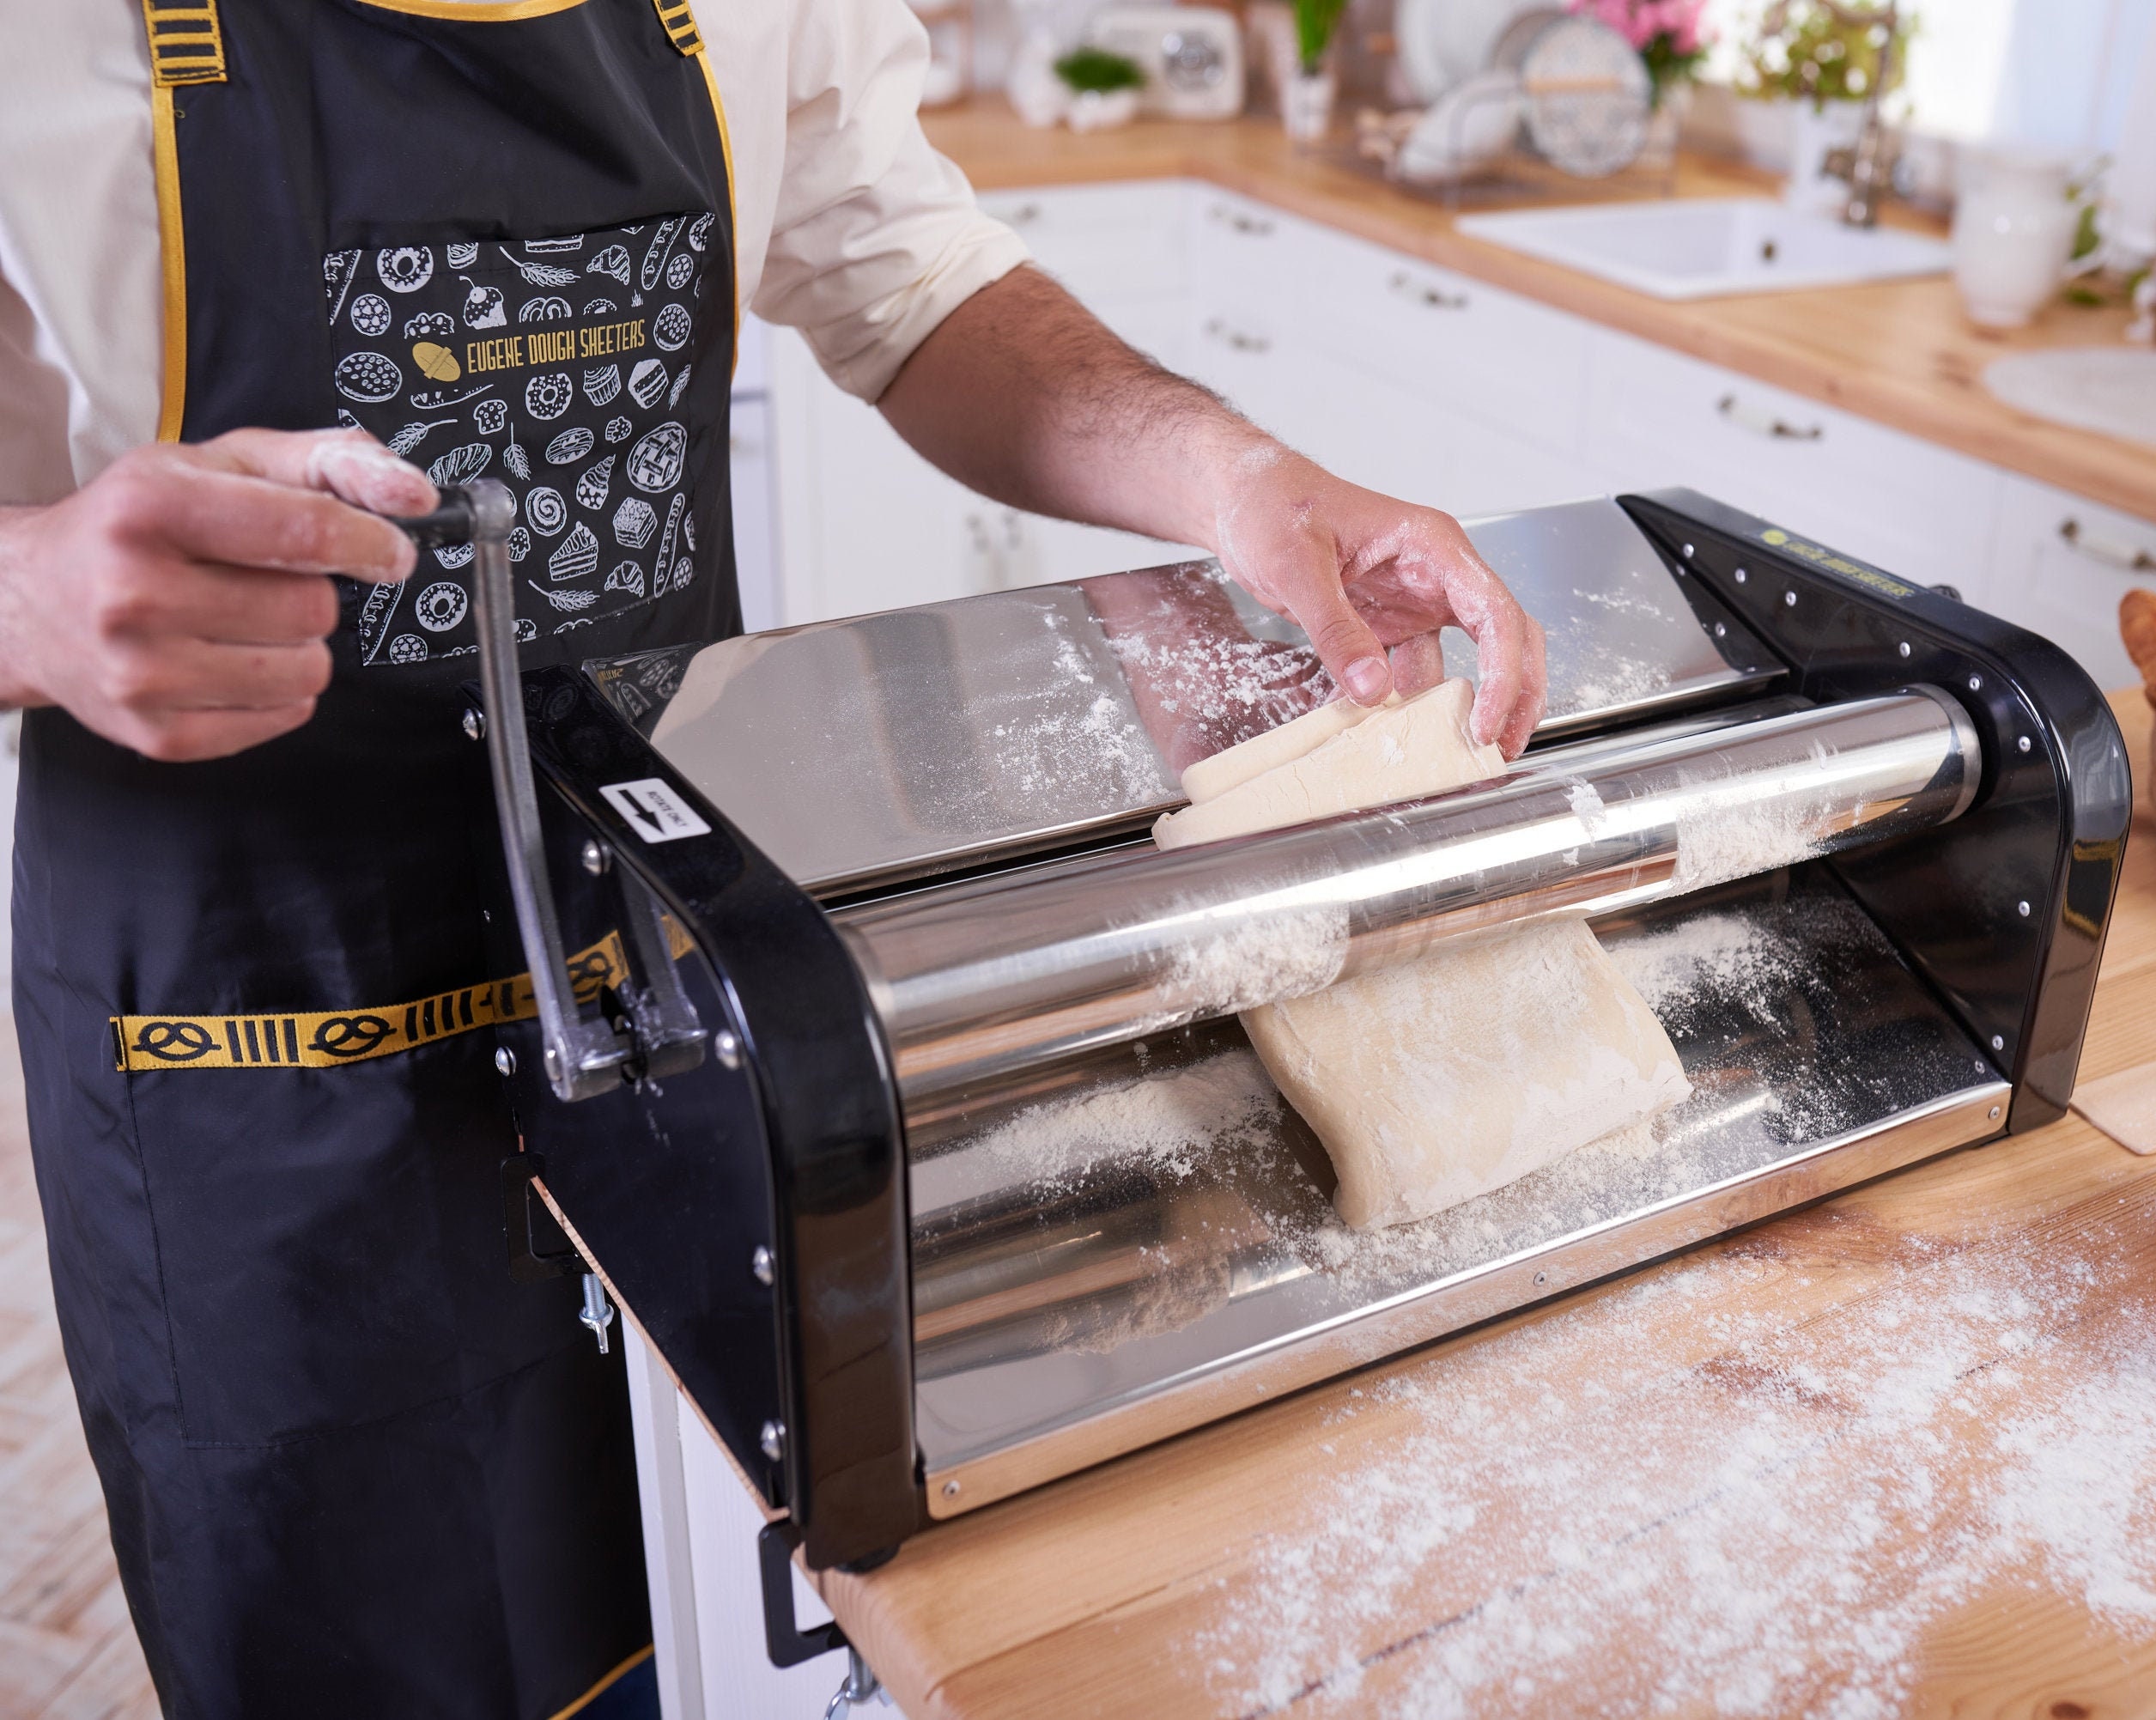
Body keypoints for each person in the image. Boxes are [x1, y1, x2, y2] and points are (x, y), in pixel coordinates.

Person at [0, 1, 1546, 1714]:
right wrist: (30, 592)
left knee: (724, 1622)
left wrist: (1231, 473)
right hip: (260, 1048)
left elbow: (912, 277)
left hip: (689, 994)